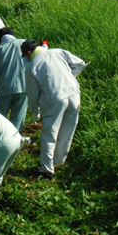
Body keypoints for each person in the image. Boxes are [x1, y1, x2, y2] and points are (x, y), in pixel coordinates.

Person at [22, 40, 87, 179]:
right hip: (74, 93)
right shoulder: (58, 52)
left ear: (29, 53)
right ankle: (58, 162)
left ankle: (46, 169)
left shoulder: (32, 66)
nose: (27, 59)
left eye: (26, 56)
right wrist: (69, 77)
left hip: (54, 98)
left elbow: (32, 94)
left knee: (49, 133)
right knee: (67, 131)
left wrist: (35, 111)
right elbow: (80, 63)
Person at [0, 28, 29, 135]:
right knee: (18, 118)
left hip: (5, 87)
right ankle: (14, 139)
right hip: (23, 86)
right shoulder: (24, 43)